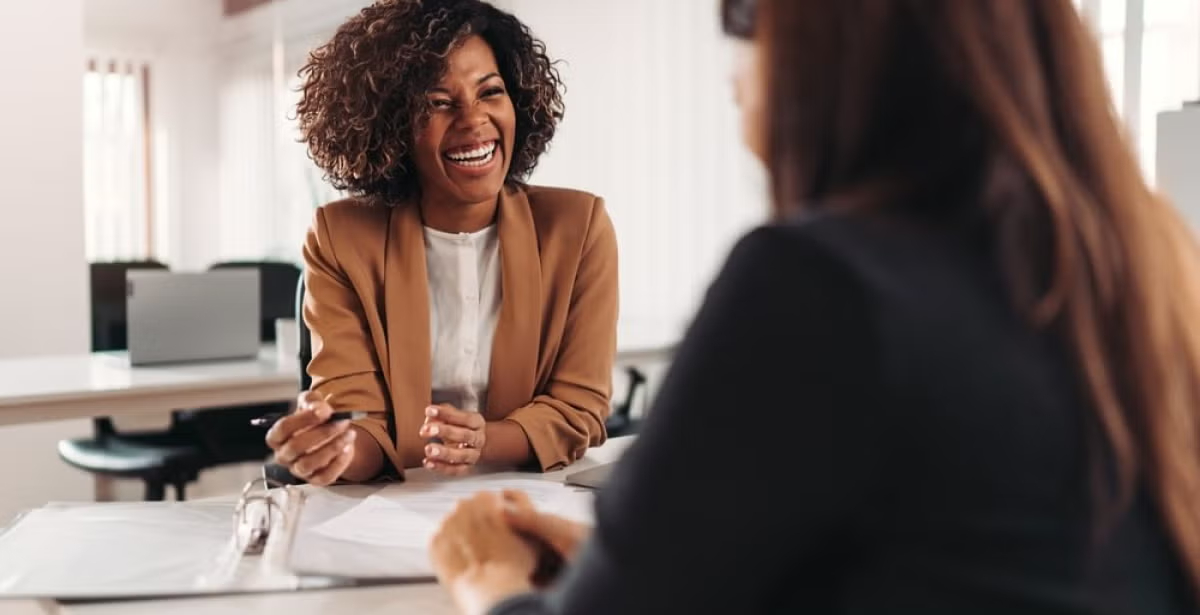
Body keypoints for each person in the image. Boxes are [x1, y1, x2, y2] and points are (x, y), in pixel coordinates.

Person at [429, 0, 1200, 612]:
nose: (733, 77)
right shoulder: (1146, 268)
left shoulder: (822, 286)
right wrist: (653, 563)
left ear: (829, 52)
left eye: (745, 20)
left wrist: (487, 580)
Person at [264, 0, 618, 485]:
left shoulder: (577, 227)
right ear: (391, 126)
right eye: (437, 102)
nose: (473, 120)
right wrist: (335, 448)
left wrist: (483, 441)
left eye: (490, 92)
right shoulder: (341, 238)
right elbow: (359, 419)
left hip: (532, 495)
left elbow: (580, 409)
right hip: (395, 505)